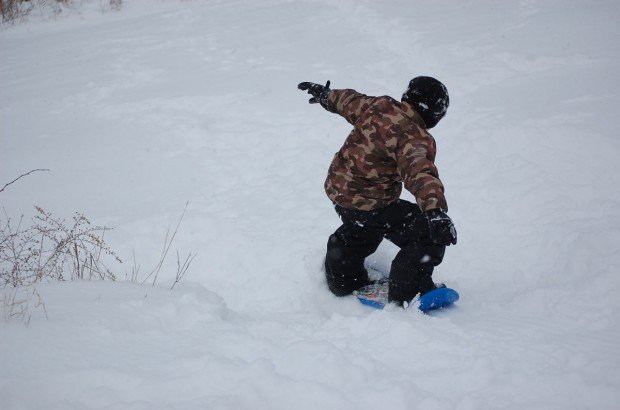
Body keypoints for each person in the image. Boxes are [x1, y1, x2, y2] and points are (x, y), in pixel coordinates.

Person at [298, 77, 457, 307]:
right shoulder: (414, 136)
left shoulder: (380, 106)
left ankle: (343, 277)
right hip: (372, 203)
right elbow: (421, 172)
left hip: (340, 192)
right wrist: (434, 211)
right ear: (432, 112)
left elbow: (350, 101)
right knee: (425, 233)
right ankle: (408, 290)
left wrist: (327, 95)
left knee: (361, 228)